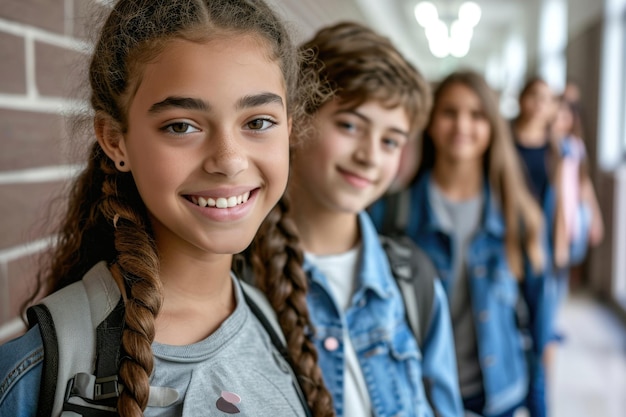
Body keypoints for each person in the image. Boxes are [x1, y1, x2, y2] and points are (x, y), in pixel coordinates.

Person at [0, 1, 335, 416]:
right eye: (181, 126)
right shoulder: (36, 372)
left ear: (290, 125)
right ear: (115, 141)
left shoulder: (276, 320)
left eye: (258, 122)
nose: (229, 160)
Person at [242, 21, 463, 417]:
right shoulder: (237, 278)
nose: (370, 155)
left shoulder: (413, 279)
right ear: (295, 122)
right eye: (349, 125)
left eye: (390, 140)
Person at [369, 70, 549, 417]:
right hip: (417, 396)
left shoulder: (519, 216)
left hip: (498, 397)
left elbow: (537, 329)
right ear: (431, 123)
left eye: (477, 115)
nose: (462, 125)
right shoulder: (392, 212)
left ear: (493, 126)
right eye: (449, 112)